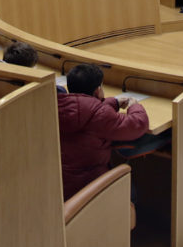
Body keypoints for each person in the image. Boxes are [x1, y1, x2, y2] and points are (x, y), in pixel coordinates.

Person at [57, 63, 149, 200]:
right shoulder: (98, 115)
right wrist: (134, 106)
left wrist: (114, 103)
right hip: (89, 183)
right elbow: (138, 124)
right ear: (98, 90)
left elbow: (87, 108)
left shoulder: (59, 104)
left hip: (62, 183)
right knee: (131, 192)